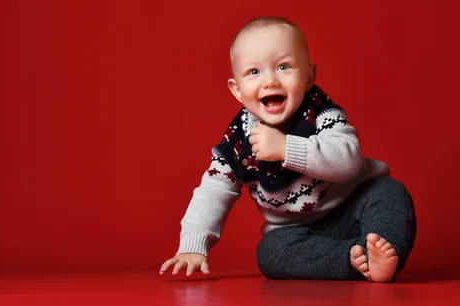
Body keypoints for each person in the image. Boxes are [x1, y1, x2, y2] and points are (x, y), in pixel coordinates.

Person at [159, 16, 416, 283]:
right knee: (270, 252)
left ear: (308, 77)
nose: (270, 81)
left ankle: (382, 250)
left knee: (389, 192)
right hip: (296, 231)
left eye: (284, 66)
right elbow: (214, 191)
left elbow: (347, 160)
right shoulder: (237, 143)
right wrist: (193, 243)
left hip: (353, 208)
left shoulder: (321, 113)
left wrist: (286, 148)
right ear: (237, 90)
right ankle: (352, 259)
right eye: (254, 72)